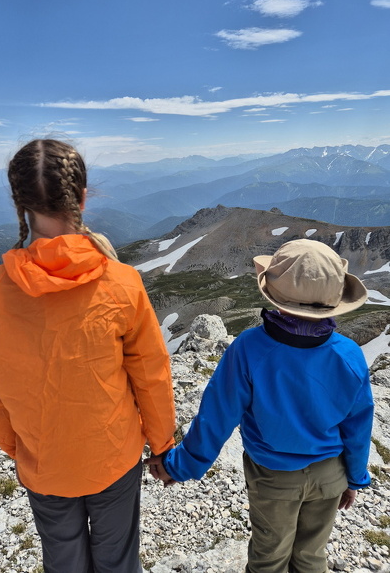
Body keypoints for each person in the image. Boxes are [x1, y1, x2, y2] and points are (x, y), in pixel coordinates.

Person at [0, 138, 176, 573]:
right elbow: (151, 374)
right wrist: (163, 444)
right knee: (117, 559)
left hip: (43, 464)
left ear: (20, 203)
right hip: (113, 457)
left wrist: (20, 448)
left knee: (63, 559)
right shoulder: (123, 283)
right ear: (80, 196)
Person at [146, 239, 374, 573]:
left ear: (276, 297)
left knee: (269, 558)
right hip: (330, 475)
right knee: (312, 557)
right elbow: (358, 428)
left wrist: (179, 466)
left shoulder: (249, 348)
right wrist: (354, 479)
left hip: (274, 476)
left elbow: (217, 418)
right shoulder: (350, 354)